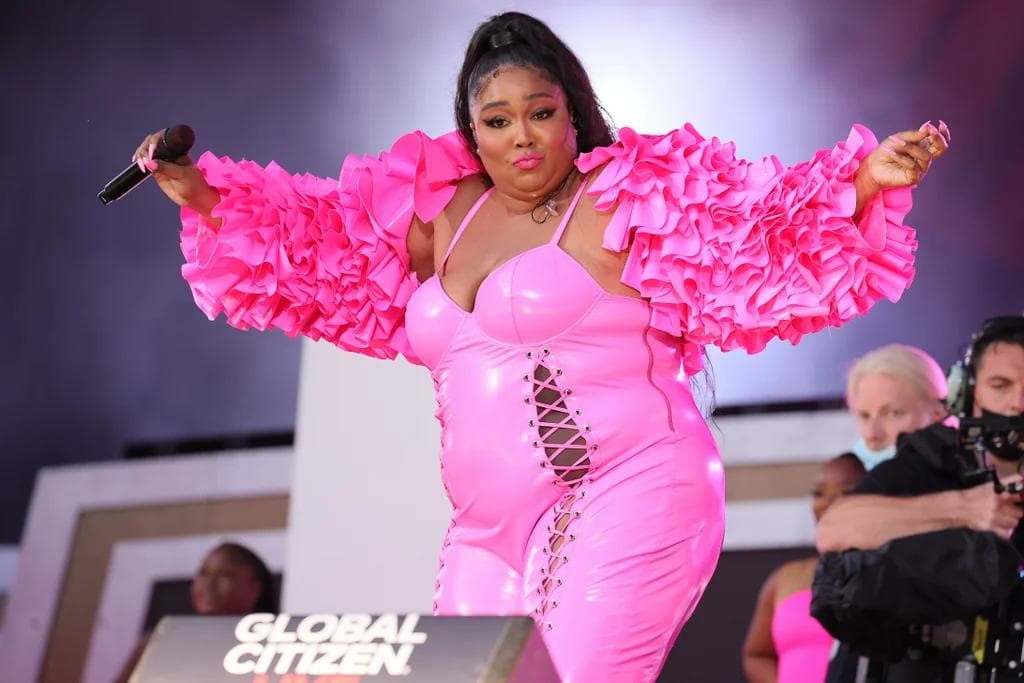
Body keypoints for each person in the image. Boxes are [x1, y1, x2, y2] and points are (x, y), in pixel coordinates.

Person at [130, 12, 948, 681]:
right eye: (498, 121)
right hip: (484, 527)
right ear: (472, 132)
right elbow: (314, 244)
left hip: (628, 485)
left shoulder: (618, 196)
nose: (523, 137)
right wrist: (197, 189)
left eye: (541, 113)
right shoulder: (443, 214)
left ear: (570, 114)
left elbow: (753, 230)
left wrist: (862, 182)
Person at [816, 315, 1024, 681]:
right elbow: (835, 529)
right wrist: (966, 508)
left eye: (893, 413)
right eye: (1001, 385)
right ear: (966, 393)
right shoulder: (928, 465)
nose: (1018, 403)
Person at [742, 453, 866, 683]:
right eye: (819, 493)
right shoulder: (784, 578)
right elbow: (757, 655)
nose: (827, 503)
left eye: (845, 493)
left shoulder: (882, 578)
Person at [115, 542, 277, 682]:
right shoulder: (160, 638)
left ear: (254, 589)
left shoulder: (275, 648)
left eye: (225, 576)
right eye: (203, 573)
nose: (208, 584)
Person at [846, 344, 948, 469]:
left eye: (893, 414)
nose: (872, 434)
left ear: (938, 412)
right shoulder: (844, 474)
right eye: (864, 416)